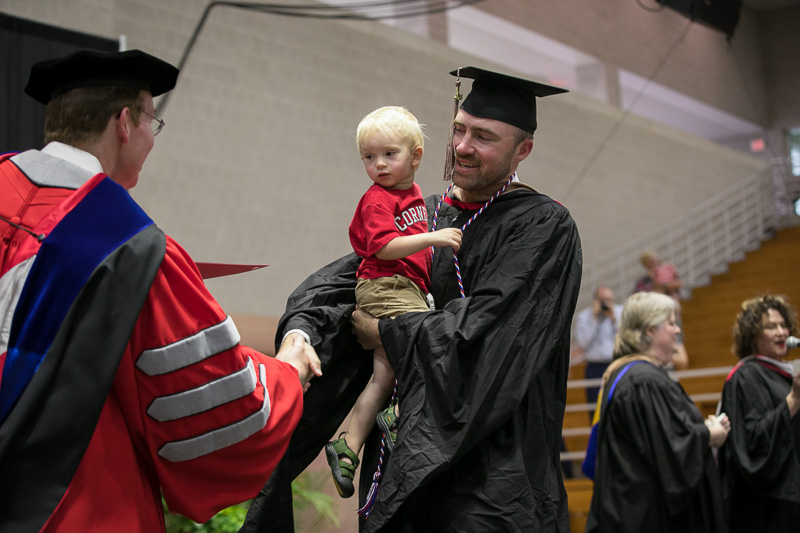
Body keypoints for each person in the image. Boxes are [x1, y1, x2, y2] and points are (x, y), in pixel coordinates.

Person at [241, 66, 582, 532]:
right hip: (403, 468)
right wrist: (300, 333)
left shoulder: (543, 227)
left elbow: (486, 335)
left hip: (491, 482)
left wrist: (386, 330)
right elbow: (343, 283)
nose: (462, 146)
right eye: (459, 129)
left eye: (483, 136)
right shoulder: (428, 214)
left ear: (522, 150)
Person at [0, 49, 320, 533]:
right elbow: (214, 403)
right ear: (124, 123)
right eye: (152, 119)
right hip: (63, 506)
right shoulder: (130, 244)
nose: (152, 136)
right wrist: (288, 373)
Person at [324, 106, 462, 499]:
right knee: (431, 338)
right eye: (369, 157)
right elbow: (384, 247)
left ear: (416, 156)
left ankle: (348, 446)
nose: (379, 165)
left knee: (383, 377)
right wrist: (435, 238)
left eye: (389, 154)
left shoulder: (414, 194)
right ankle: (398, 416)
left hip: (403, 288)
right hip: (386, 285)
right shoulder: (377, 199)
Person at [584, 291, 730, 533]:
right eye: (671, 323)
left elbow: (658, 439)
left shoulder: (629, 374)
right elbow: (670, 451)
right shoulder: (644, 381)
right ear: (650, 330)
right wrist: (710, 435)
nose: (677, 330)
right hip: (649, 516)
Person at [718, 294, 800, 532]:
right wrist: (793, 400)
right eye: (771, 327)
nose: (781, 332)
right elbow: (752, 441)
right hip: (766, 508)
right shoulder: (745, 376)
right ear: (752, 335)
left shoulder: (782, 374)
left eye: (784, 325)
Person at [634, 251, 689, 370]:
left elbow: (678, 285)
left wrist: (663, 285)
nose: (653, 262)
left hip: (670, 318)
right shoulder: (644, 282)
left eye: (654, 259)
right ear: (644, 264)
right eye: (649, 261)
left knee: (678, 356)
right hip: (653, 320)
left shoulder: (668, 270)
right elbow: (639, 299)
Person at [574, 286, 623, 419]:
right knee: (595, 409)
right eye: (603, 300)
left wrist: (613, 320)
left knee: (619, 406)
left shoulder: (620, 312)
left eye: (609, 300)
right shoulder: (585, 316)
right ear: (595, 301)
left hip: (615, 365)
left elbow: (624, 339)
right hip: (594, 368)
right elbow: (582, 343)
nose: (606, 304)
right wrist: (594, 320)